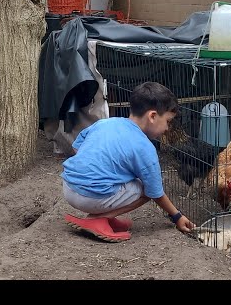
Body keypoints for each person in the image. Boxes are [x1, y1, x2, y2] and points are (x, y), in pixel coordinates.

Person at [62, 81, 196, 242]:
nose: (167, 128)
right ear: (152, 116)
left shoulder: (106, 122)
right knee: (146, 187)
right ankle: (99, 218)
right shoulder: (145, 147)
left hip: (68, 187)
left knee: (125, 178)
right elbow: (155, 192)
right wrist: (177, 216)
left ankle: (104, 216)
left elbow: (77, 146)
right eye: (167, 121)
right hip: (90, 198)